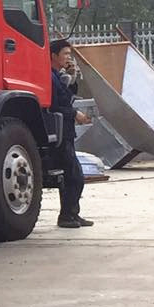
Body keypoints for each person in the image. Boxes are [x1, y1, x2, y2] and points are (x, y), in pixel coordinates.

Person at [49, 39, 93, 229]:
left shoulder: (59, 76)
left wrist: (72, 78)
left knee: (70, 176)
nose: (69, 58)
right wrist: (75, 114)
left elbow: (67, 97)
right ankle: (67, 215)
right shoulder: (49, 78)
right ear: (54, 56)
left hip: (66, 130)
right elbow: (54, 106)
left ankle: (72, 214)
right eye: (65, 54)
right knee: (74, 175)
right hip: (59, 132)